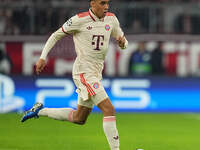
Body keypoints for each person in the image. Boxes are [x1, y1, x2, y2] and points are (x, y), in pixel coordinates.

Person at [21, 0, 128, 150]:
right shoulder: (79, 19)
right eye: (102, 3)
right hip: (83, 72)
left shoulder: (111, 19)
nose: (106, 7)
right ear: (93, 4)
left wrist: (123, 43)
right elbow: (56, 35)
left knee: (79, 118)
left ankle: (39, 110)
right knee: (109, 109)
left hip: (96, 73)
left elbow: (124, 43)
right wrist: (43, 57)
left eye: (107, 3)